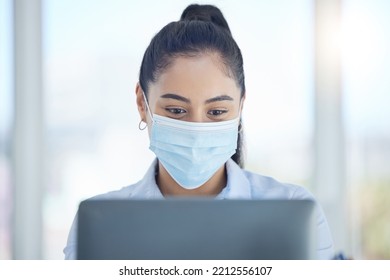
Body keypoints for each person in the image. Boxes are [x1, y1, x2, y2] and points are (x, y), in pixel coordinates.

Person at [64, 4, 334, 259]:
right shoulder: (100, 224)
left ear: (240, 107)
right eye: (176, 111)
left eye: (216, 112)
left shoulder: (292, 210)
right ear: (141, 104)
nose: (196, 130)